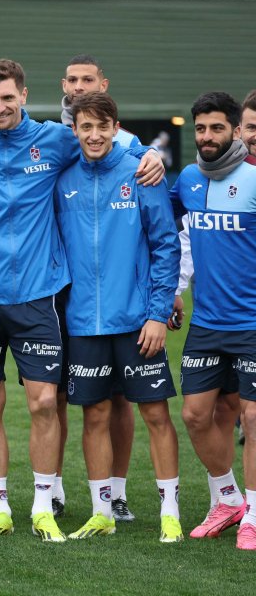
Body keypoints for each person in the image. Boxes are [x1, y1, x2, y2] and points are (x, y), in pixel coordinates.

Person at [0, 59, 163, 542]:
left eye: (8, 98)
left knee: (42, 403)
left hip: (39, 294)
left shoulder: (53, 140)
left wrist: (151, 155)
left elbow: (105, 139)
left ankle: (42, 507)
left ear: (24, 95)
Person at [55, 92, 182, 543]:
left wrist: (157, 313)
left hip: (136, 321)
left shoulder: (140, 173)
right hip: (84, 323)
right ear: (74, 131)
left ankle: (170, 511)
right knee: (95, 415)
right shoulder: (62, 178)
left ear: (115, 128)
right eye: (85, 128)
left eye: (101, 127)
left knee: (155, 414)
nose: (93, 135)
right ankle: (102, 511)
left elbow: (166, 246)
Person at [168, 92, 256, 550]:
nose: (206, 137)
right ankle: (228, 500)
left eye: (217, 128)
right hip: (208, 323)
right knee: (196, 414)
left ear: (236, 131)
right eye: (200, 129)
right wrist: (174, 290)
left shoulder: (254, 180)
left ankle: (255, 517)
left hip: (253, 324)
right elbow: (174, 233)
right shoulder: (187, 180)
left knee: (253, 416)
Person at [58, 54, 141, 520]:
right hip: (66, 300)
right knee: (58, 396)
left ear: (103, 84)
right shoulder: (54, 139)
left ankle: (118, 491)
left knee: (118, 399)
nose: (79, 87)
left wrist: (149, 157)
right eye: (72, 81)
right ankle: (57, 489)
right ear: (62, 87)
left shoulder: (128, 145)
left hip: (117, 300)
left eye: (88, 80)